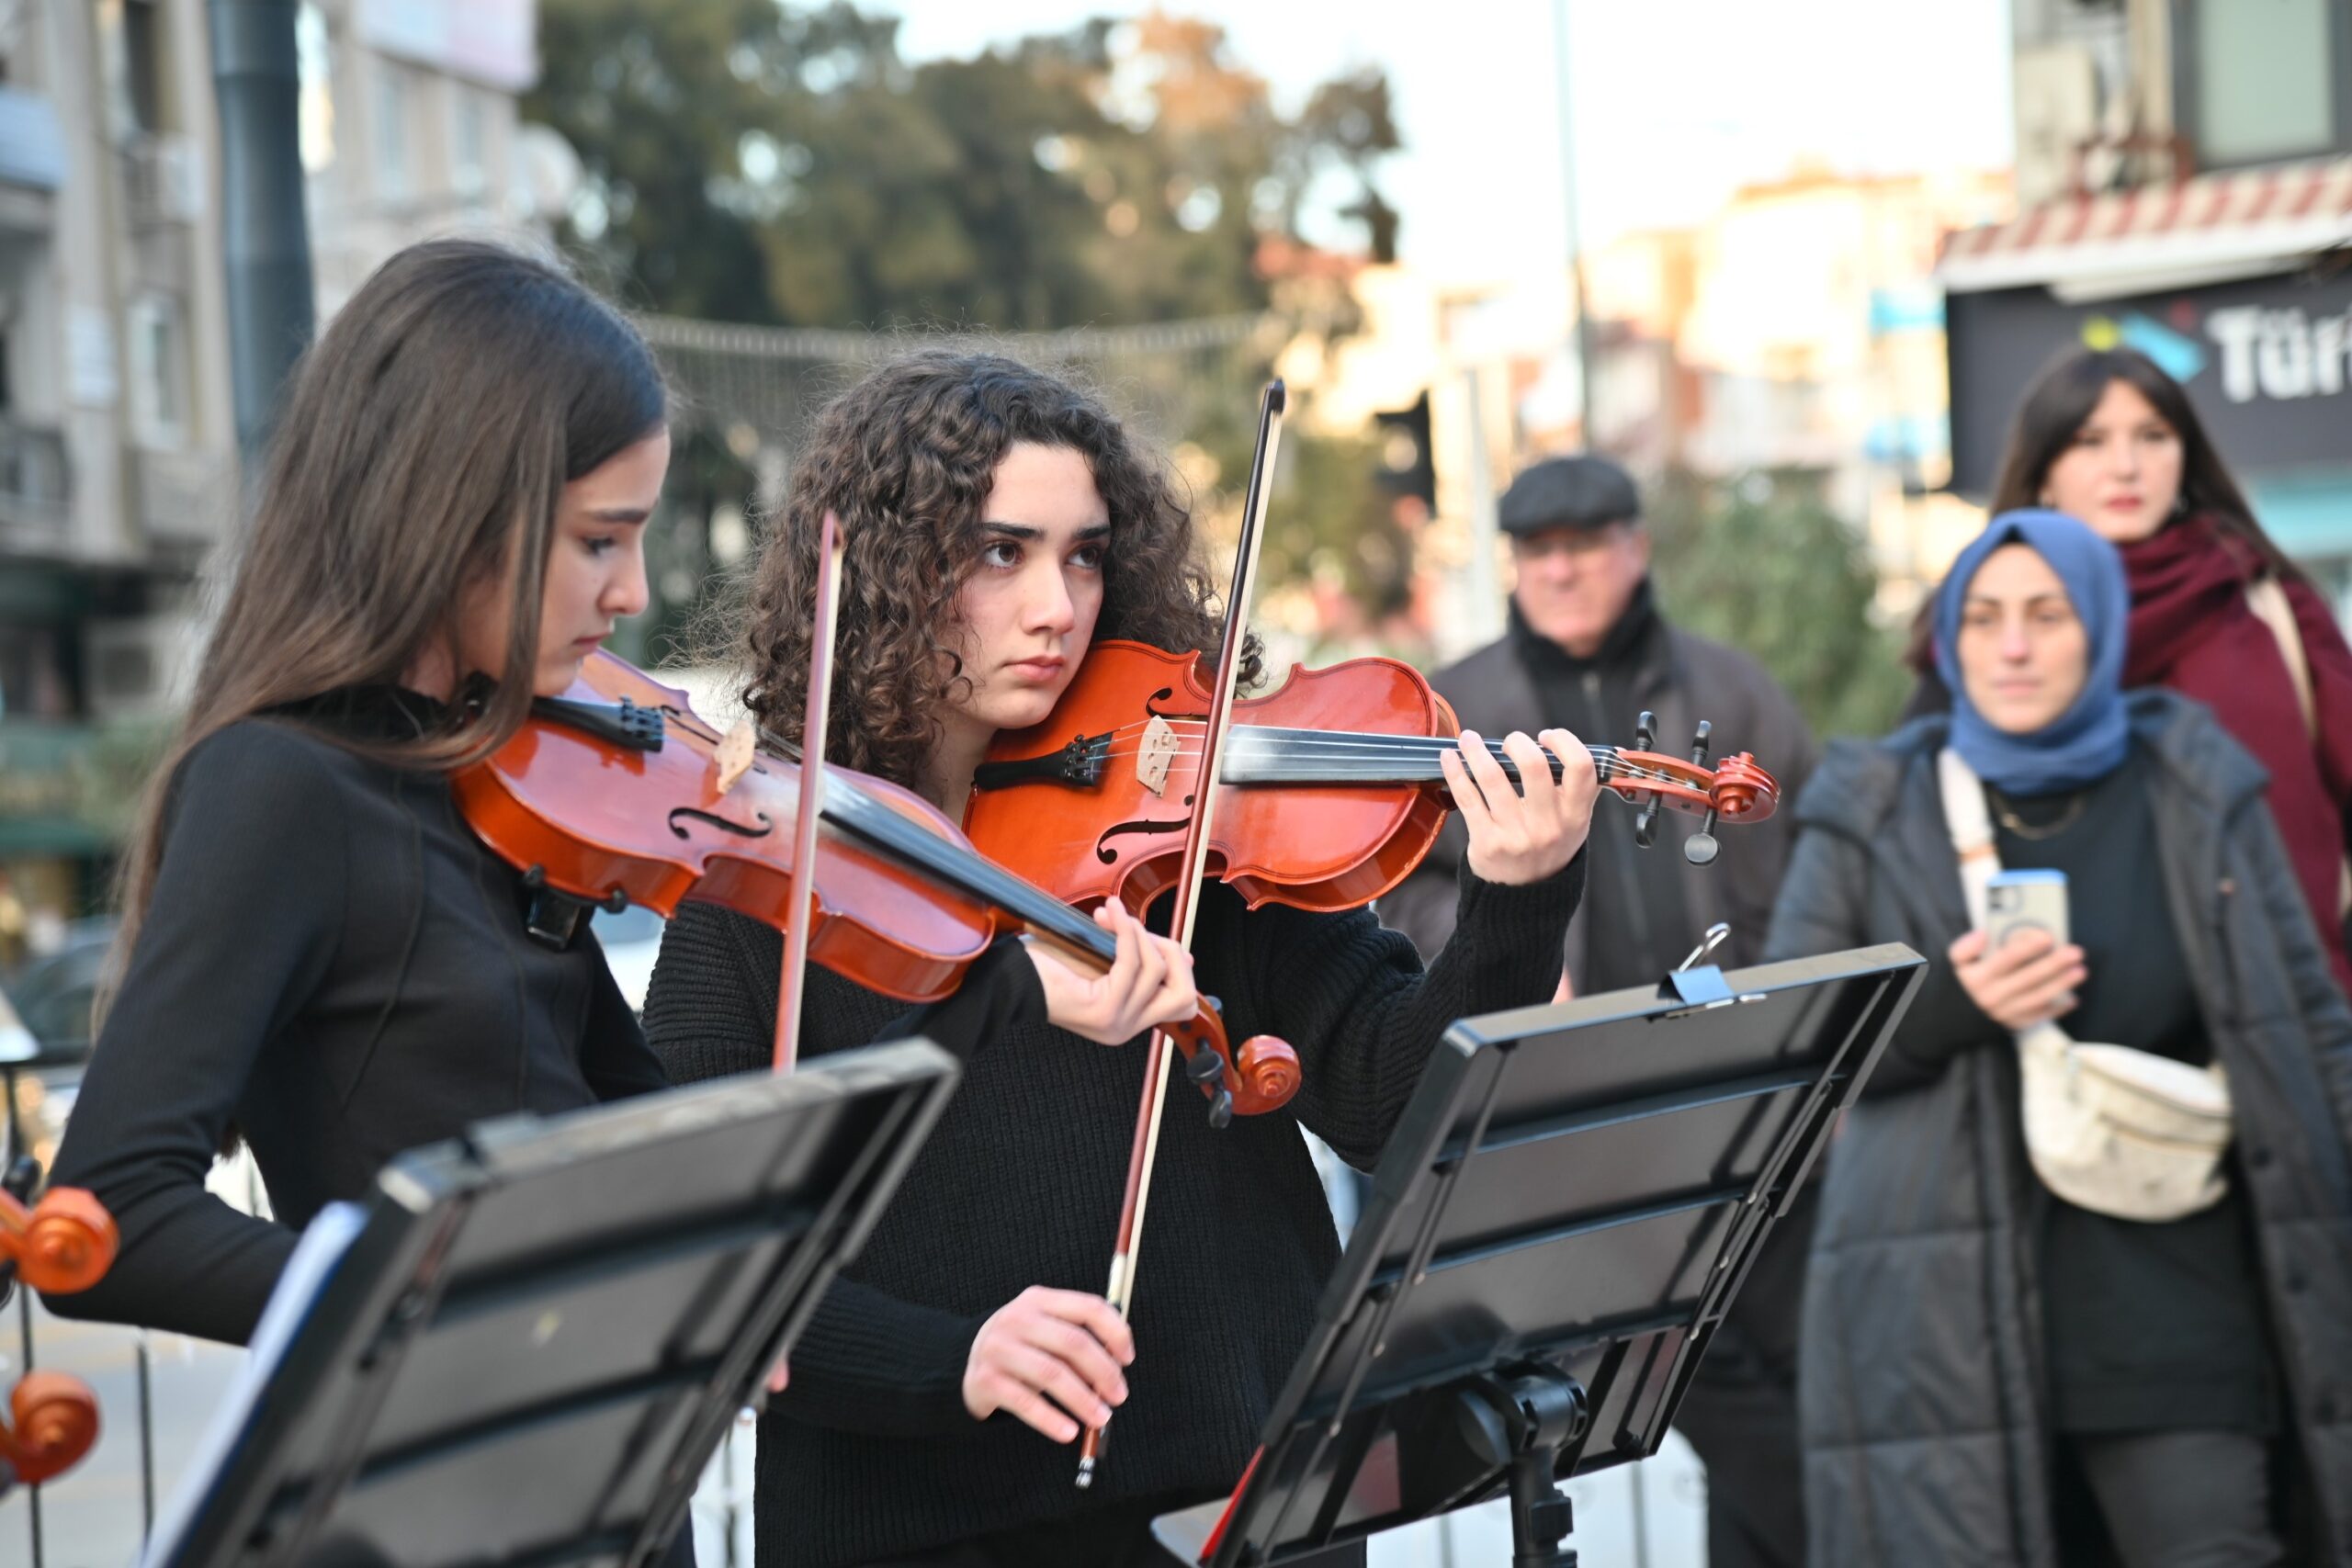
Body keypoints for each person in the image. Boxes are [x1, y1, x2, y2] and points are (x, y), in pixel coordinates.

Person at [642, 349, 1597, 1568]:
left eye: (1084, 553)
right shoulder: (771, 863)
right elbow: (700, 1256)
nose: (1057, 604)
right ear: (883, 570)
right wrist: (950, 1359)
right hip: (925, 1529)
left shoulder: (1182, 828)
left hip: (1233, 1514)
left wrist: (1516, 904)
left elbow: (1389, 1100)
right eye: (1002, 552)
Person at [40, 239, 680, 1345]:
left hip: (598, 1485)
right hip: (434, 1497)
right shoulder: (280, 786)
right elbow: (113, 1220)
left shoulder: (488, 778)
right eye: (596, 541)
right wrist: (450, 1300)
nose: (631, 590)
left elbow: (630, 1122)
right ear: (452, 512)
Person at [1775, 510, 2352, 1568]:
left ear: (2098, 625)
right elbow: (1793, 1053)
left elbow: (2305, 1026)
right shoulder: (1870, 803)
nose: (2012, 645)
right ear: (1948, 639)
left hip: (2176, 1295)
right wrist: (1952, 1001)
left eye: (2047, 614)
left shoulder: (2191, 781)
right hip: (1943, 1322)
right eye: (1984, 616)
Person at [1378, 452, 1818, 1568]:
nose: (1561, 571)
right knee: (1690, 1368)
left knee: (1795, 1353)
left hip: (1737, 1083)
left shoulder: (1728, 690)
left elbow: (1810, 856)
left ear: (1635, 548)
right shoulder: (1460, 706)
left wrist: (1779, 999)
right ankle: (1837, 1530)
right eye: (1537, 553)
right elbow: (1406, 880)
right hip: (1591, 1116)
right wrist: (1506, 942)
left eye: (1584, 546)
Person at [1907, 344, 2352, 998]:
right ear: (2044, 473)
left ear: (2186, 457)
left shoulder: (2268, 600)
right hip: (2072, 1014)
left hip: (2288, 1000)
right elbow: (1909, 850)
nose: (2126, 466)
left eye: (2153, 436)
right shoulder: (1985, 638)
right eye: (2090, 441)